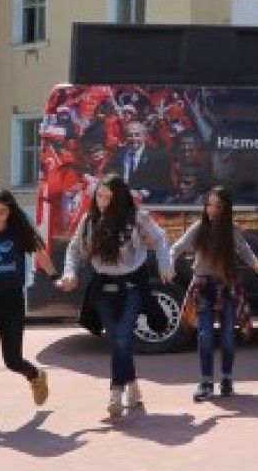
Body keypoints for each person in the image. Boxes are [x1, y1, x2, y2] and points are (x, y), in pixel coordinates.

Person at [57, 175, 174, 419]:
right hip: (103, 289)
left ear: (119, 199)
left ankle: (115, 392)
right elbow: (74, 248)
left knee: (122, 338)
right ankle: (132, 383)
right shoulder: (89, 220)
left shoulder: (137, 218)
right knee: (117, 342)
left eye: (109, 198)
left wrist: (165, 263)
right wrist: (69, 272)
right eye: (99, 196)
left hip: (132, 287)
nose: (103, 202)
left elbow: (160, 238)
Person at [170, 187, 258, 401]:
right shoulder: (199, 227)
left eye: (218, 206)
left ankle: (227, 379)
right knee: (205, 335)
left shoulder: (232, 230)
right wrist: (167, 264)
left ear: (226, 208)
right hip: (203, 286)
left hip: (227, 287)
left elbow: (246, 253)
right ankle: (206, 382)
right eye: (209, 205)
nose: (212, 210)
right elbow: (176, 248)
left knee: (227, 336)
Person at [0, 189, 56, 430]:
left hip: (11, 302)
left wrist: (55, 276)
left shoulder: (19, 234)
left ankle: (35, 375)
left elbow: (40, 254)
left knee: (12, 360)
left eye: (2, 212)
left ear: (10, 212)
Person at [105, 120, 171, 201]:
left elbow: (161, 183)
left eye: (137, 135)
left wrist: (140, 193)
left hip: (147, 202)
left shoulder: (156, 156)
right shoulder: (118, 154)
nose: (133, 138)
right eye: (130, 135)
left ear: (144, 136)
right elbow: (110, 175)